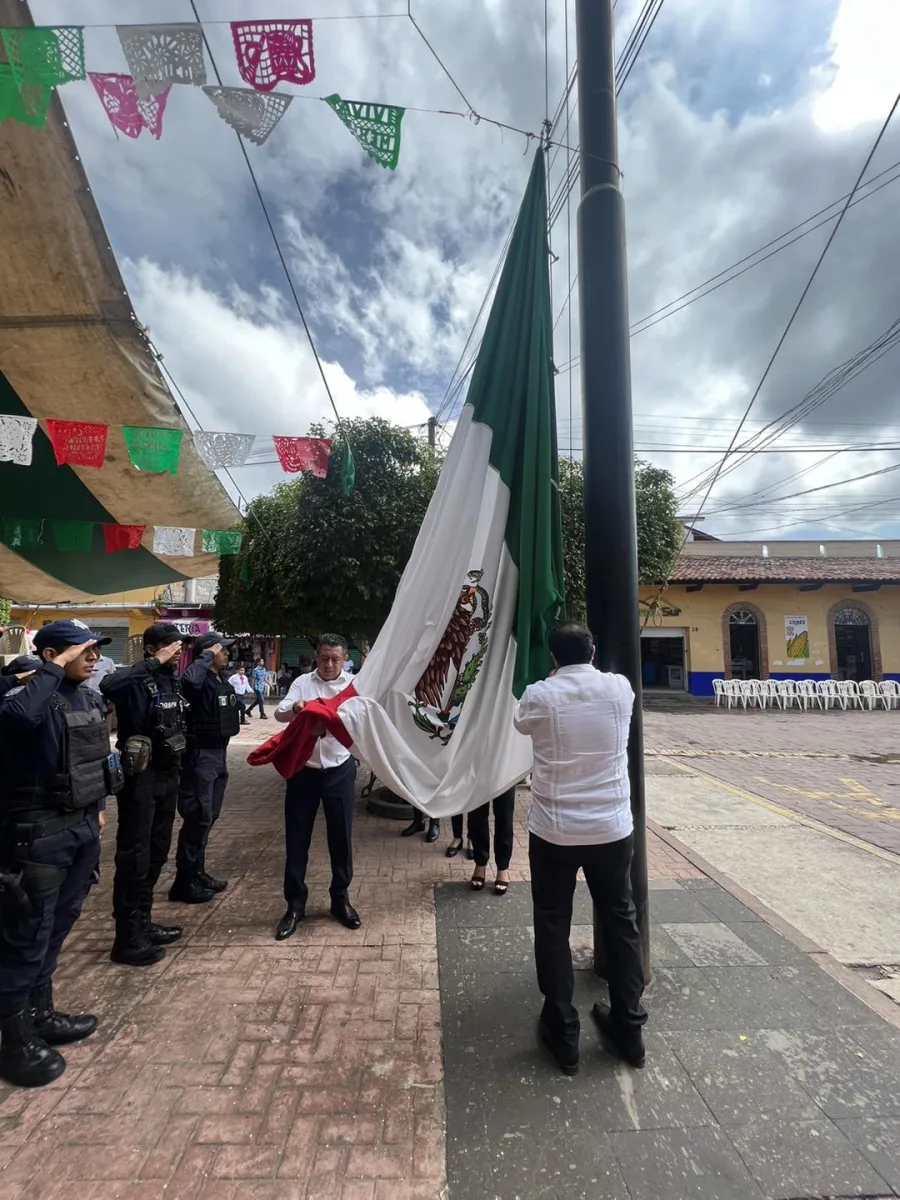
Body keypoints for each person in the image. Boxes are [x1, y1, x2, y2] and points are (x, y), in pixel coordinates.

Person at [514, 621, 647, 1077]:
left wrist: (551, 680)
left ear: (553, 657)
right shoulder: (619, 688)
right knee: (621, 920)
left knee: (553, 924)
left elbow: (519, 722)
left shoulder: (540, 695)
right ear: (592, 650)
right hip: (612, 828)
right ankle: (630, 1027)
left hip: (555, 829)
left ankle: (563, 1030)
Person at [0, 620, 116, 1087]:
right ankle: (13, 1042)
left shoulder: (86, 698)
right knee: (25, 937)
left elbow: (96, 756)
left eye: (94, 650)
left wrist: (101, 806)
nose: (92, 657)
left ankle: (40, 1014)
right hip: (37, 835)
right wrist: (50, 670)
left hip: (81, 827)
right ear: (52, 656)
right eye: (81, 651)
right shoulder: (24, 697)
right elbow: (19, 719)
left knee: (56, 928)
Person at [100, 624, 191, 966]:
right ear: (152, 649)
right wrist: (153, 663)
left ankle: (143, 921)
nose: (177, 650)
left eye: (179, 645)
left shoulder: (172, 680)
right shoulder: (135, 678)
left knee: (156, 851)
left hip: (169, 774)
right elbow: (107, 685)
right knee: (134, 856)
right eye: (169, 646)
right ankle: (126, 937)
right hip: (141, 780)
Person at [273, 634, 361, 940]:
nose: (329, 664)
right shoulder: (302, 683)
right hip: (304, 771)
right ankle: (295, 905)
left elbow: (362, 721)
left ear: (345, 658)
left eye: (335, 659)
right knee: (297, 839)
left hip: (339, 769)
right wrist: (299, 707)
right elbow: (279, 711)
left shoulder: (353, 686)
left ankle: (341, 899)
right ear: (316, 656)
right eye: (324, 658)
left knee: (341, 837)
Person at [170, 634, 240, 904]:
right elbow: (188, 681)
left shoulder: (217, 679)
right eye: (223, 650)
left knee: (209, 815)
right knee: (198, 816)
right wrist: (206, 655)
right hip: (199, 756)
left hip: (217, 754)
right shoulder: (196, 679)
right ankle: (184, 881)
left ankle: (198, 872)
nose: (227, 654)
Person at [468, 786, 516, 895]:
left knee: (504, 814)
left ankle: (502, 867)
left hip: (504, 771)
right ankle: (480, 862)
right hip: (477, 771)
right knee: (477, 815)